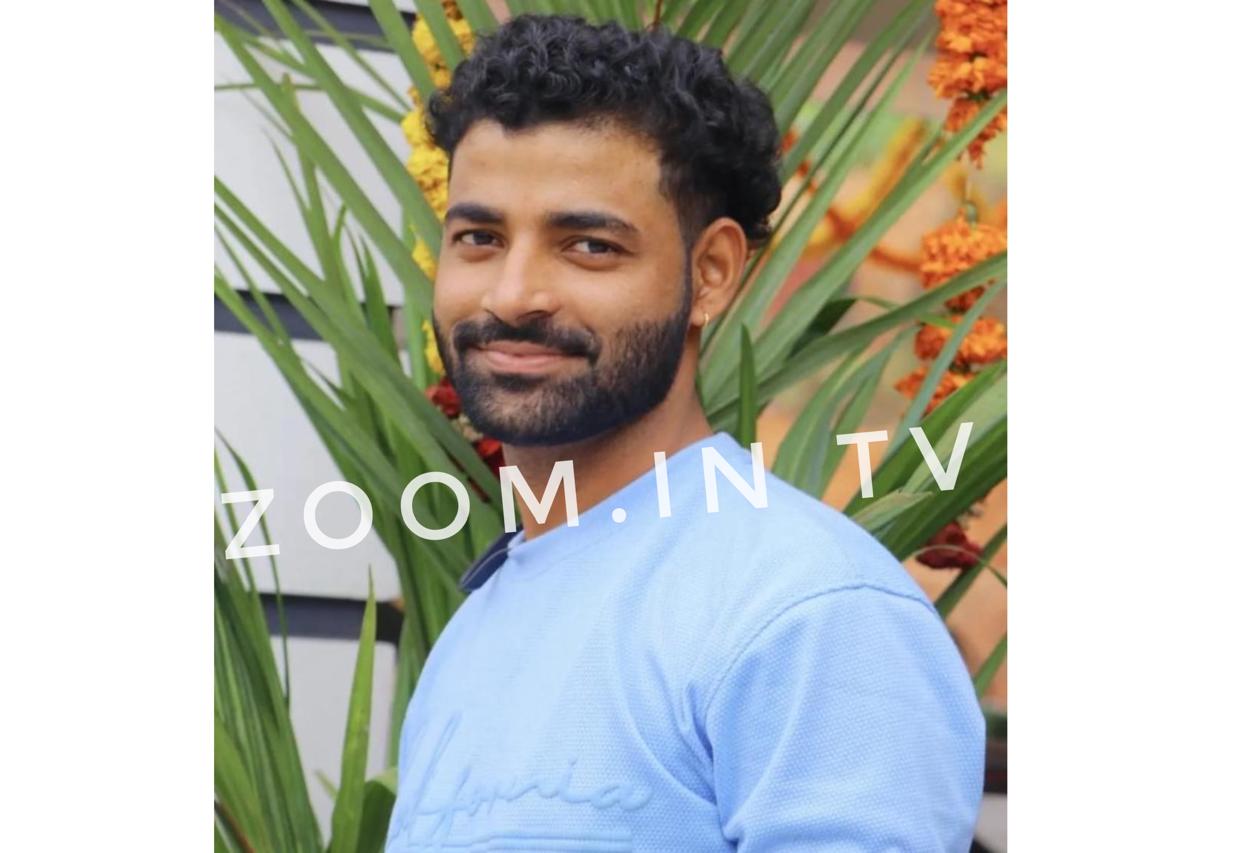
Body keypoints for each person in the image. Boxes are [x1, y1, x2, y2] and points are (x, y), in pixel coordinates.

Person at [386, 14, 984, 852]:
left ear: (711, 274)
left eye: (588, 245)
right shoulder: (477, 629)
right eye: (479, 238)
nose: (512, 294)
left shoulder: (808, 611)